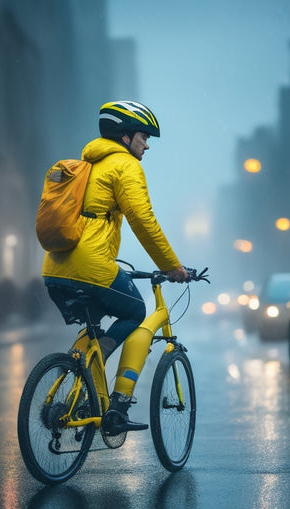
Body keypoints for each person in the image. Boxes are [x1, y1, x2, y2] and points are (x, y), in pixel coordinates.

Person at [42, 100, 188, 436]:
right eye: (144, 136)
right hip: (89, 265)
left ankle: (82, 382)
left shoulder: (87, 165)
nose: (147, 144)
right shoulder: (124, 166)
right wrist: (171, 266)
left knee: (93, 329)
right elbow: (142, 219)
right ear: (125, 136)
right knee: (135, 311)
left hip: (55, 267)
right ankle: (119, 404)